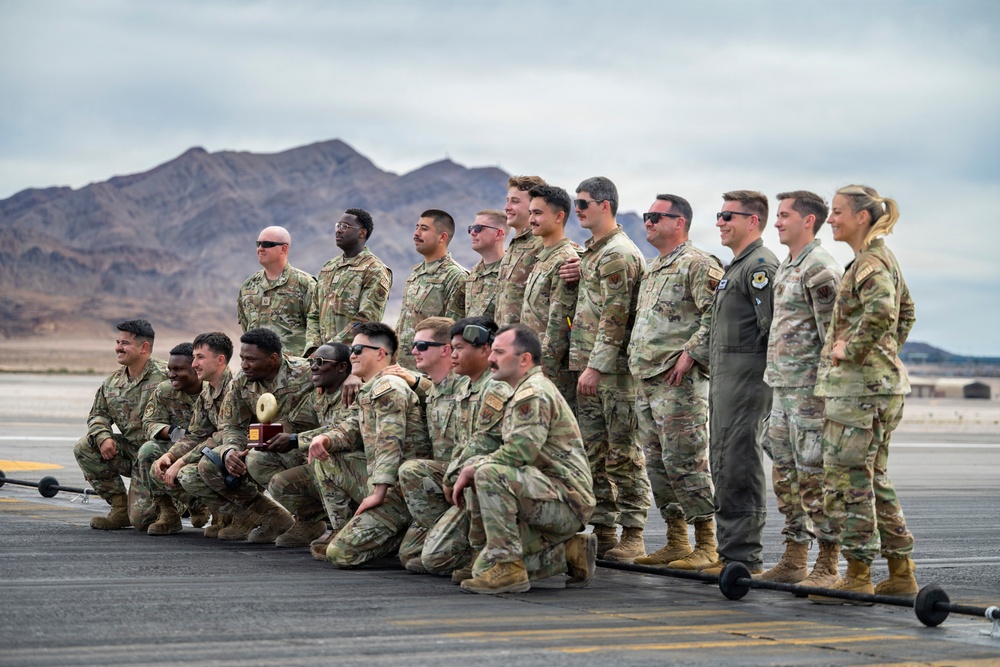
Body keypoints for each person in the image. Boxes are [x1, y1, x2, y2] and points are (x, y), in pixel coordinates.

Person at [811, 185, 917, 603]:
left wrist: (851, 351)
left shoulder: (870, 262)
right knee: (874, 480)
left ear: (861, 217)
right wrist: (884, 357)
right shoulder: (878, 259)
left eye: (837, 212)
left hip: (858, 395)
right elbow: (907, 312)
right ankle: (900, 571)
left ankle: (857, 575)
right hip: (878, 390)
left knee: (848, 482)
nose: (831, 219)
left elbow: (885, 311)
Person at [452, 325, 596, 594]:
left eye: (499, 352)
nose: (491, 358)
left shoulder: (533, 393)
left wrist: (472, 469)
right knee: (480, 570)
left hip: (566, 501)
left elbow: (520, 452)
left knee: (487, 472)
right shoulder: (523, 389)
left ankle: (508, 568)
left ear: (524, 359)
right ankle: (568, 552)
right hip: (544, 493)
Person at [627, 195, 724, 569]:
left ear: (679, 222)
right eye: (648, 217)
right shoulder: (653, 268)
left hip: (678, 381)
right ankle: (676, 538)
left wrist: (690, 354)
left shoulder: (698, 264)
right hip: (647, 380)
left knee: (685, 460)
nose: (648, 222)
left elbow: (715, 314)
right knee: (657, 463)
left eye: (656, 217)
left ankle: (706, 542)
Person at [760, 191, 843, 586]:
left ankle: (827, 564)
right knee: (785, 476)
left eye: (784, 215)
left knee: (814, 478)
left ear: (808, 221)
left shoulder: (820, 268)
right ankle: (794, 558)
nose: (776, 222)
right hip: (782, 388)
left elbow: (834, 335)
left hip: (810, 392)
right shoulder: (789, 265)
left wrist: (828, 392)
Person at [569, 176, 651, 562]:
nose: (577, 209)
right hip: (592, 368)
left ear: (605, 205)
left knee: (623, 453)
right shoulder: (595, 253)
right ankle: (604, 529)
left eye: (583, 203)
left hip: (613, 373)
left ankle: (633, 532)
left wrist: (596, 367)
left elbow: (615, 318)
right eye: (575, 202)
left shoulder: (617, 253)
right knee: (594, 453)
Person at [699, 190, 779, 576]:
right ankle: (730, 550)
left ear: (753, 221)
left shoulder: (760, 267)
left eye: (729, 216)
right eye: (719, 215)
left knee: (739, 463)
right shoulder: (738, 266)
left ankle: (743, 557)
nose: (720, 222)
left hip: (747, 382)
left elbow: (774, 331)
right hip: (727, 382)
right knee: (723, 462)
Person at [307, 322, 431, 568]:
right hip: (384, 481)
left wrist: (378, 492)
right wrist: (326, 439)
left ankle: (399, 534)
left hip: (401, 489)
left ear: (380, 353)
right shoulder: (369, 389)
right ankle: (343, 530)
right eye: (352, 349)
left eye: (358, 349)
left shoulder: (389, 387)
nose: (352, 354)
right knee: (327, 458)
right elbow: (350, 427)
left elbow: (390, 442)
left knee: (341, 555)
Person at [182, 328, 317, 543]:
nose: (244, 365)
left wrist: (351, 380)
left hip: (306, 449)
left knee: (258, 459)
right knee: (210, 464)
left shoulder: (307, 373)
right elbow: (232, 425)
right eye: (242, 358)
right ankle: (270, 517)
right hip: (266, 450)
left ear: (273, 359)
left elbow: (343, 372)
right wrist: (230, 451)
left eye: (251, 359)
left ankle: (311, 520)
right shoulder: (241, 382)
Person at [401, 317, 512, 577]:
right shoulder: (466, 387)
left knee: (434, 559)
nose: (454, 353)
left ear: (485, 349)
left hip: (495, 481)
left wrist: (453, 476)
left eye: (459, 348)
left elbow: (483, 444)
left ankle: (483, 552)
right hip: (469, 478)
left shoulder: (494, 387)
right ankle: (460, 543)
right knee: (412, 555)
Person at [73, 319, 167, 530]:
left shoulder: (169, 376)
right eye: (117, 342)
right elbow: (98, 415)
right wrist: (103, 436)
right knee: (85, 447)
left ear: (144, 347)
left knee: (142, 521)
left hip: (160, 455)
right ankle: (120, 508)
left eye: (124, 343)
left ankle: (185, 502)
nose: (118, 348)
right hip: (132, 453)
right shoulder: (112, 383)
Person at [267, 342, 357, 550]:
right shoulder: (319, 395)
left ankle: (343, 530)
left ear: (342, 367)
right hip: (333, 470)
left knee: (326, 459)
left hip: (357, 469)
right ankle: (312, 521)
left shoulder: (353, 392)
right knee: (268, 469)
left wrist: (295, 440)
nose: (313, 367)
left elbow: (343, 431)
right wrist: (265, 437)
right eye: (311, 362)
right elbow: (294, 421)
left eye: (320, 362)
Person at [386, 317, 460, 571]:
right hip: (444, 481)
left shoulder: (466, 386)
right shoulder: (435, 389)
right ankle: (444, 536)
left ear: (445, 349)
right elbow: (433, 388)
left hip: (469, 483)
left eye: (422, 345)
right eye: (413, 345)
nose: (414, 351)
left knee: (433, 559)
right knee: (411, 557)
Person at [150, 332, 235, 537]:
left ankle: (248, 515)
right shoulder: (208, 393)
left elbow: (222, 435)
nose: (195, 363)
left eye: (199, 358)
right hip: (211, 452)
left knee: (190, 471)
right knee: (157, 462)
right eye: (194, 358)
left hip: (233, 455)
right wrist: (170, 456)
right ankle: (193, 510)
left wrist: (181, 461)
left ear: (219, 360)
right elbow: (197, 434)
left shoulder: (235, 389)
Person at [133, 343, 205, 534]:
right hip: (177, 446)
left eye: (178, 369)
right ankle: (169, 512)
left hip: (207, 448)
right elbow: (149, 423)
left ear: (196, 368)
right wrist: (174, 433)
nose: (171, 374)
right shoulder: (165, 391)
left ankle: (220, 512)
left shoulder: (213, 390)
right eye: (170, 369)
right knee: (148, 451)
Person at [519, 184, 579, 403]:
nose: (531, 219)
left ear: (558, 216)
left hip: (551, 373)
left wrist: (543, 373)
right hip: (533, 366)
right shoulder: (544, 257)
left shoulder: (565, 260)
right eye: (530, 213)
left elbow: (560, 324)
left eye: (538, 213)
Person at [304, 208, 392, 356]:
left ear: (362, 233)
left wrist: (330, 349)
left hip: (352, 356)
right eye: (337, 226)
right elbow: (313, 313)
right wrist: (314, 348)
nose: (338, 231)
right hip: (320, 358)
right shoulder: (328, 268)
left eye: (345, 227)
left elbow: (367, 318)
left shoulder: (373, 269)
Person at [395, 210, 468, 370]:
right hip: (403, 369)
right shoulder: (416, 273)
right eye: (416, 227)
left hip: (429, 373)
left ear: (442, 237)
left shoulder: (455, 276)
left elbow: (453, 332)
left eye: (424, 229)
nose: (416, 233)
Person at [237, 225, 316, 356]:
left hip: (293, 370)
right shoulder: (249, 286)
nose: (260, 248)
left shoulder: (304, 284)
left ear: (284, 249)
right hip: (258, 369)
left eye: (267, 244)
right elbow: (246, 327)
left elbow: (315, 327)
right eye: (258, 243)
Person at [494, 175, 547, 325]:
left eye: (515, 201)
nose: (507, 207)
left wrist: (578, 267)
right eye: (507, 200)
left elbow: (570, 254)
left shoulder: (542, 242)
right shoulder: (514, 246)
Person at [464, 210, 508, 320]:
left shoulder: (512, 271)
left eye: (478, 228)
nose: (472, 232)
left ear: (498, 234)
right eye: (471, 228)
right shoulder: (474, 273)